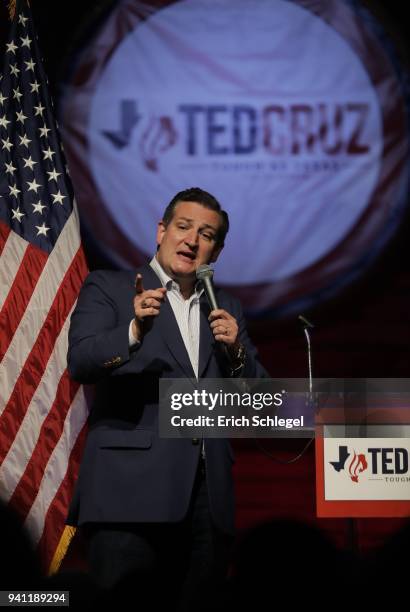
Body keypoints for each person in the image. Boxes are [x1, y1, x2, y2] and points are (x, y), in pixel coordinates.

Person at [67, 187, 268, 609]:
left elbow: (258, 402)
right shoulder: (109, 286)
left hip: (207, 503)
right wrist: (134, 332)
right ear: (160, 231)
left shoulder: (226, 307)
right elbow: (82, 361)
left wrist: (235, 355)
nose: (193, 240)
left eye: (207, 234)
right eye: (183, 227)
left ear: (216, 250)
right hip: (129, 497)